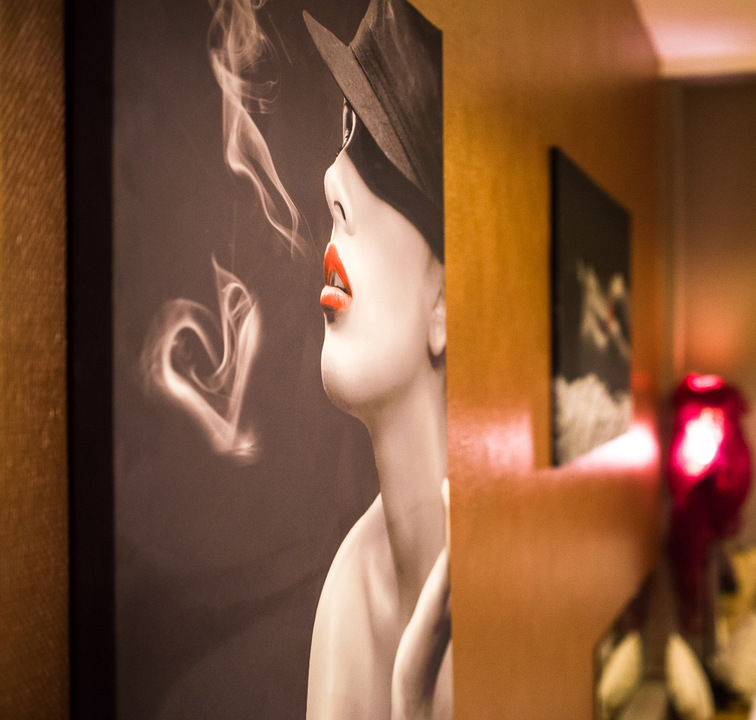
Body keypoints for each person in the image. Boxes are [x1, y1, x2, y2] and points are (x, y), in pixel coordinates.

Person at [302, 2, 451, 718]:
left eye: (379, 159)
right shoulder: (349, 592)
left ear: (446, 301)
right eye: (346, 135)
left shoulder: (516, 603)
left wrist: (412, 697)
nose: (333, 179)